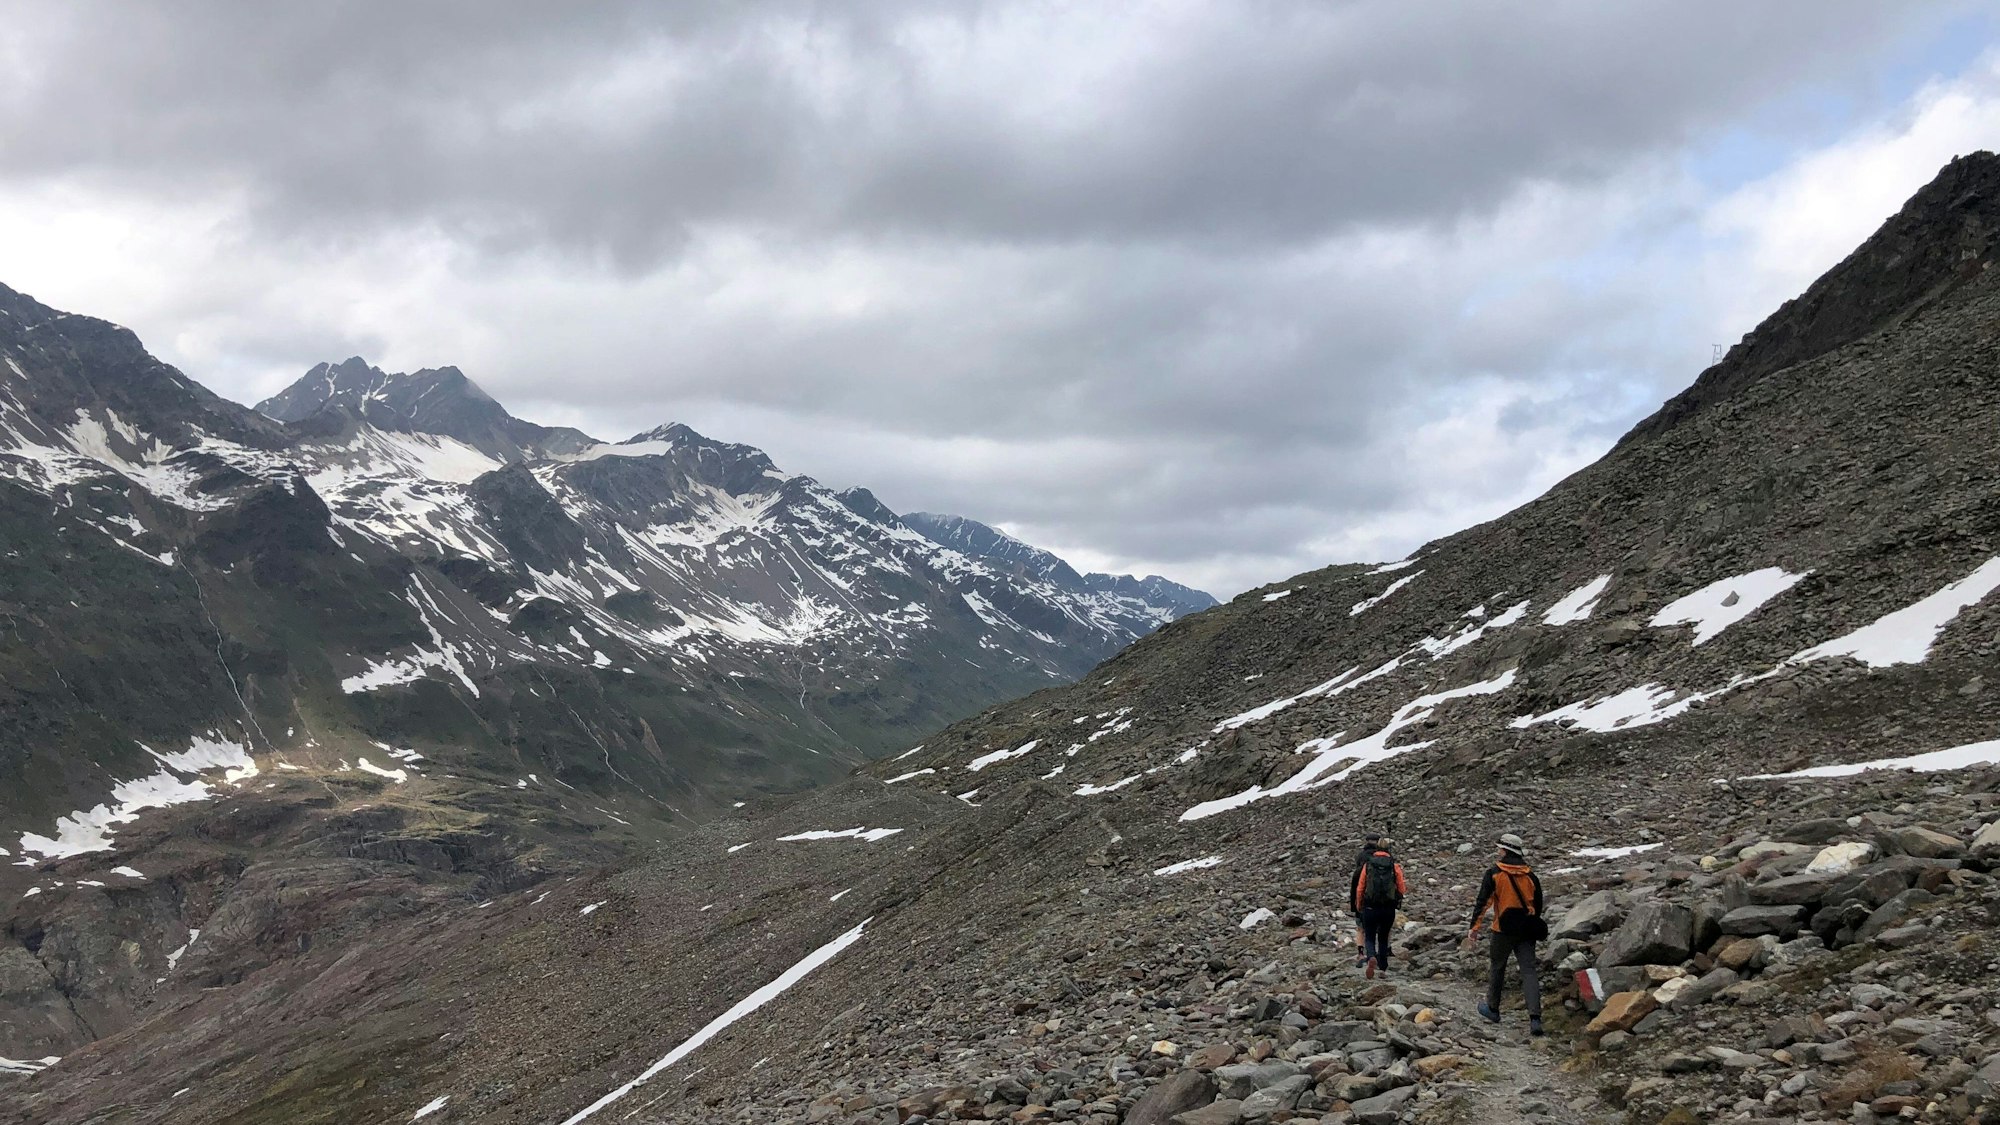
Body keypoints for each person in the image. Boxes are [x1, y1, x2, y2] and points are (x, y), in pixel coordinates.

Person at [1465, 832, 1546, 1036]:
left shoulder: (1494, 873)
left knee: (1498, 967)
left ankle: (1493, 1009)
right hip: (1526, 929)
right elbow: (1538, 905)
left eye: (1499, 848)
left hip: (1503, 929)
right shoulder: (1530, 876)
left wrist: (1474, 929)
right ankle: (1535, 1019)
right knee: (1529, 971)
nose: (1498, 851)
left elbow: (1483, 903)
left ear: (1504, 850)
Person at [1350, 836, 1405, 979]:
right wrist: (1397, 899)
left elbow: (1361, 887)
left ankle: (1371, 957)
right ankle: (1383, 965)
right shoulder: (1394, 866)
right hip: (1388, 907)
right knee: (1383, 935)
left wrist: (1358, 904)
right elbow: (1401, 887)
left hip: (1370, 906)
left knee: (1369, 935)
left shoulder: (1368, 865)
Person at [1349, 833, 1382, 968]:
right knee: (1380, 927)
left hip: (1363, 898)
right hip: (1381, 899)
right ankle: (1381, 952)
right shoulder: (1383, 858)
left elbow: (1359, 885)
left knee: (1361, 927)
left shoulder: (1361, 857)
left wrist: (1355, 903)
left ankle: (1361, 952)